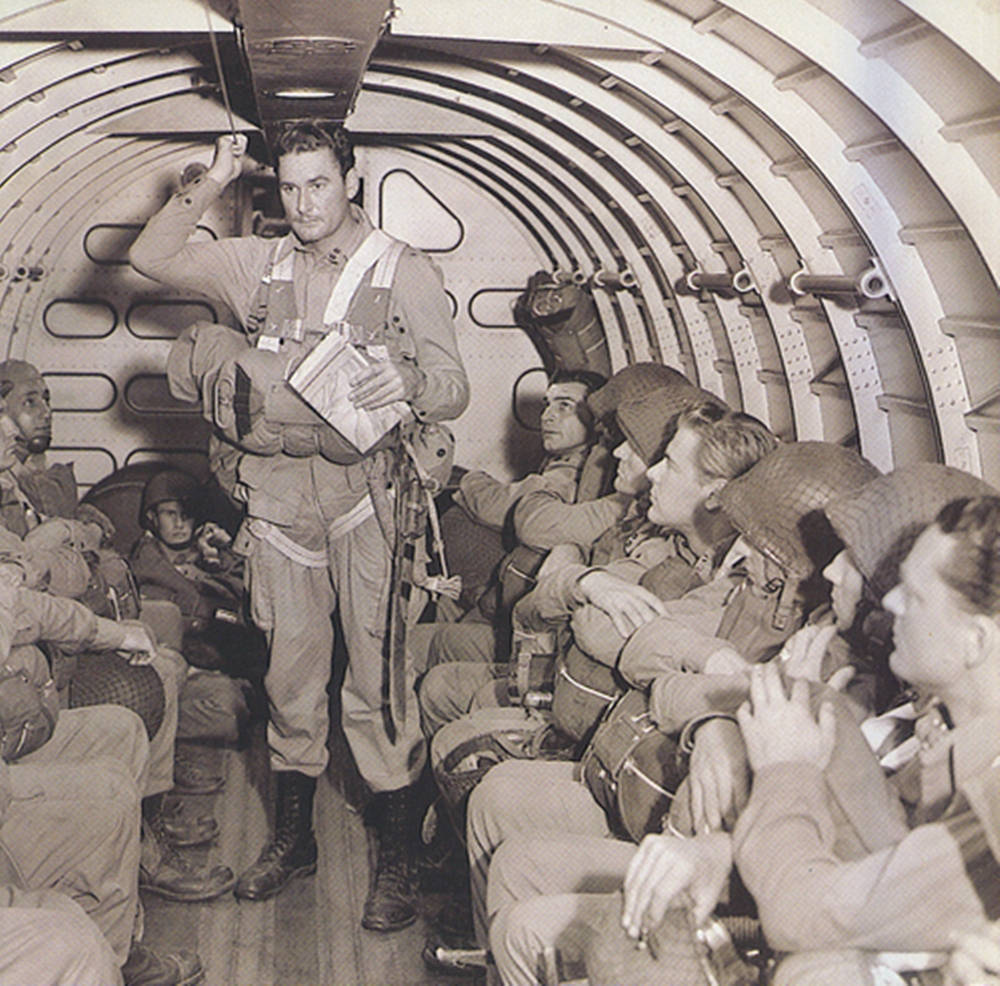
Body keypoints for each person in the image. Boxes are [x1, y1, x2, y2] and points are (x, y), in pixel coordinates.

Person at [130, 122, 469, 930]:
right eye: (289, 186)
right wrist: (208, 182)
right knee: (289, 679)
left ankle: (393, 858)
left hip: (369, 500)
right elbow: (151, 257)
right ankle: (294, 840)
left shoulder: (402, 270)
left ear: (350, 179)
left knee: (378, 687)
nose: (304, 202)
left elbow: (454, 387)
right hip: (280, 503)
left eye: (318, 183)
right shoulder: (259, 261)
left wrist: (409, 379)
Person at [130, 466, 266, 680]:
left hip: (233, 662)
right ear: (152, 517)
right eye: (170, 514)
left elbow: (251, 599)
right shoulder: (146, 568)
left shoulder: (212, 555)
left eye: (187, 515)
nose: (179, 523)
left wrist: (223, 557)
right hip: (181, 664)